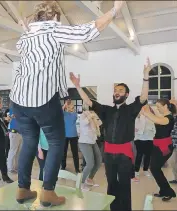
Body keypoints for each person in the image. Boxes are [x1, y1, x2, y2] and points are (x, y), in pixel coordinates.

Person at [10, 1, 126, 207]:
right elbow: (87, 32)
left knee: (29, 141)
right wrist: (115, 10)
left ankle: (23, 189)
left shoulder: (25, 37)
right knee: (56, 142)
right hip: (41, 98)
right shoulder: (54, 30)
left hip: (18, 99)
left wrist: (27, 28)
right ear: (55, 17)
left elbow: (22, 44)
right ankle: (47, 192)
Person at [69, 58, 151, 211]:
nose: (117, 92)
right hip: (108, 152)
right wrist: (78, 86)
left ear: (126, 95)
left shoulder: (131, 109)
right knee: (112, 184)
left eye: (120, 90)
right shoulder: (107, 110)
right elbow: (89, 101)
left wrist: (146, 77)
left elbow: (143, 98)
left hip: (124, 153)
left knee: (125, 185)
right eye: (115, 90)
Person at [142, 99, 177, 201]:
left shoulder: (169, 118)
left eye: (159, 107)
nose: (157, 109)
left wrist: (146, 112)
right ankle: (163, 190)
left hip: (164, 147)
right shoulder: (163, 116)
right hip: (157, 145)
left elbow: (156, 120)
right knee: (154, 168)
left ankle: (169, 192)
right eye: (156, 107)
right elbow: (155, 117)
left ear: (166, 106)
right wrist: (147, 108)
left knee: (155, 168)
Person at [78, 104, 102, 191]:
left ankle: (89, 179)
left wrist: (94, 117)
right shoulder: (83, 116)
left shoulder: (94, 116)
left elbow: (100, 123)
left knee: (98, 161)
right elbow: (84, 123)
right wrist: (90, 116)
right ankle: (81, 183)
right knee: (90, 163)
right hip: (84, 142)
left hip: (93, 141)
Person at [134, 107, 156, 180]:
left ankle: (145, 170)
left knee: (148, 155)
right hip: (139, 138)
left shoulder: (152, 116)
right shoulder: (138, 115)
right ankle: (136, 170)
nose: (145, 109)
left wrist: (153, 133)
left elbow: (154, 127)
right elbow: (134, 124)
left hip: (149, 138)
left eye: (147, 108)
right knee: (139, 154)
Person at [61, 99, 80, 173]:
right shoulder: (64, 114)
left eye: (72, 107)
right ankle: (63, 167)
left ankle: (77, 169)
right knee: (63, 152)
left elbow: (73, 112)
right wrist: (65, 104)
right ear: (66, 108)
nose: (70, 108)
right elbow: (60, 111)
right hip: (65, 136)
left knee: (75, 153)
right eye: (69, 107)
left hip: (74, 136)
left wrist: (70, 106)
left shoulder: (74, 114)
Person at [7, 108, 23, 173]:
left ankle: (17, 167)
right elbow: (10, 118)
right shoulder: (13, 109)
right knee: (13, 151)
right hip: (14, 133)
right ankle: (10, 168)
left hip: (21, 133)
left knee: (18, 152)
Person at [169, 100, 177, 185]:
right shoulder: (170, 118)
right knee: (173, 162)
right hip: (173, 144)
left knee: (174, 162)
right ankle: (176, 178)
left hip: (175, 142)